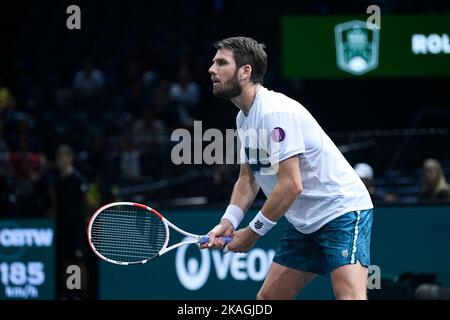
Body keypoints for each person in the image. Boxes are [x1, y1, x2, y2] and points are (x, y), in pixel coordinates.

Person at [203, 37, 374, 300]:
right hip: (305, 223)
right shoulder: (243, 118)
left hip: (341, 211)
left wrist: (252, 233)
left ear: (245, 71)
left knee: (349, 297)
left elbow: (291, 185)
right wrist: (229, 222)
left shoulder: (274, 112)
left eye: (221, 63)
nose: (211, 69)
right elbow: (248, 179)